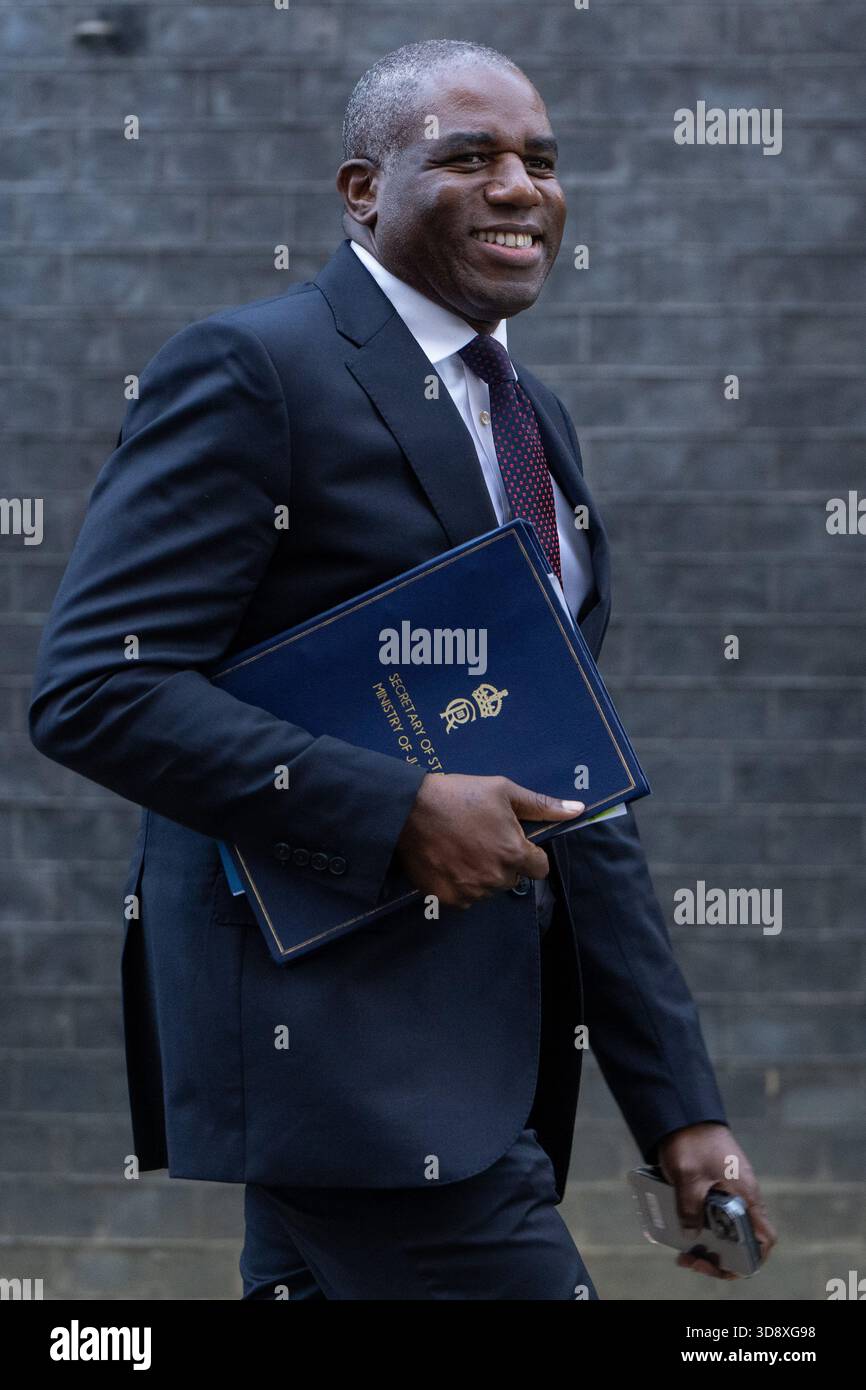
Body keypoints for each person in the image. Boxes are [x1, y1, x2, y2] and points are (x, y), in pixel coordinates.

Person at [28, 39, 775, 1300]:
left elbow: (570, 785)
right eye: (466, 156)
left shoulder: (533, 423)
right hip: (337, 1058)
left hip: (485, 1069)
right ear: (362, 189)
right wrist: (398, 812)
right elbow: (97, 688)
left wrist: (677, 1107)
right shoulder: (253, 371)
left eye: (539, 161)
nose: (517, 187)